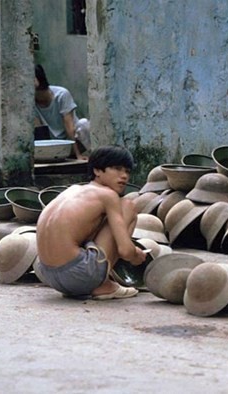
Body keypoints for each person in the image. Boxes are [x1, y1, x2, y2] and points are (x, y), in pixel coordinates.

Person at [36, 145, 148, 300]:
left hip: (47, 274)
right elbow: (125, 251)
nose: (124, 176)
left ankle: (95, 280)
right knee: (128, 206)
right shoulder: (108, 195)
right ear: (97, 170)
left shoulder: (72, 190)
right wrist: (136, 255)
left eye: (127, 171)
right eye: (117, 168)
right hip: (78, 275)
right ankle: (104, 285)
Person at [34, 64, 90, 161]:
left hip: (73, 142)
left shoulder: (61, 94)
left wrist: (78, 155)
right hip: (53, 145)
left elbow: (69, 127)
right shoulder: (29, 102)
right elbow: (39, 130)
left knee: (84, 123)